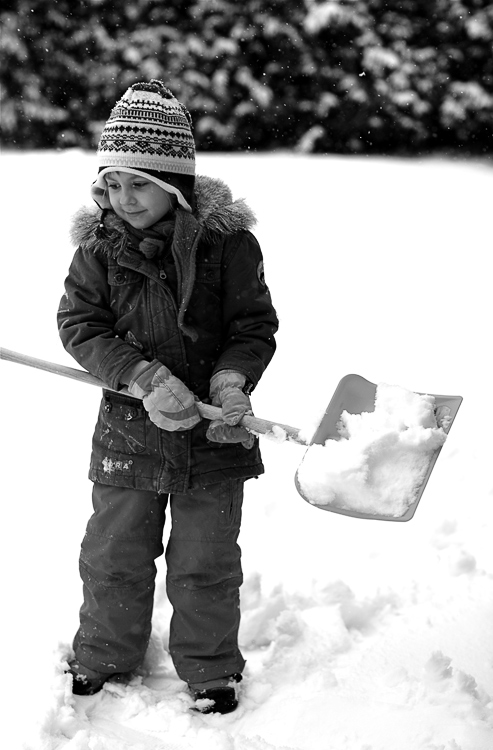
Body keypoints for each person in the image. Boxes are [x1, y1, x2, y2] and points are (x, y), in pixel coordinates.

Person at [57, 79, 278, 714]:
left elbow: (251, 327)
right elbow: (80, 327)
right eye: (110, 184)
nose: (122, 200)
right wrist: (144, 378)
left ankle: (210, 668)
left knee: (205, 562)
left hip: (215, 436)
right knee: (113, 555)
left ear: (174, 181)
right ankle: (104, 654)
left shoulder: (229, 245)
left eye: (138, 184)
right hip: (130, 434)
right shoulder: (98, 249)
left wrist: (231, 381)